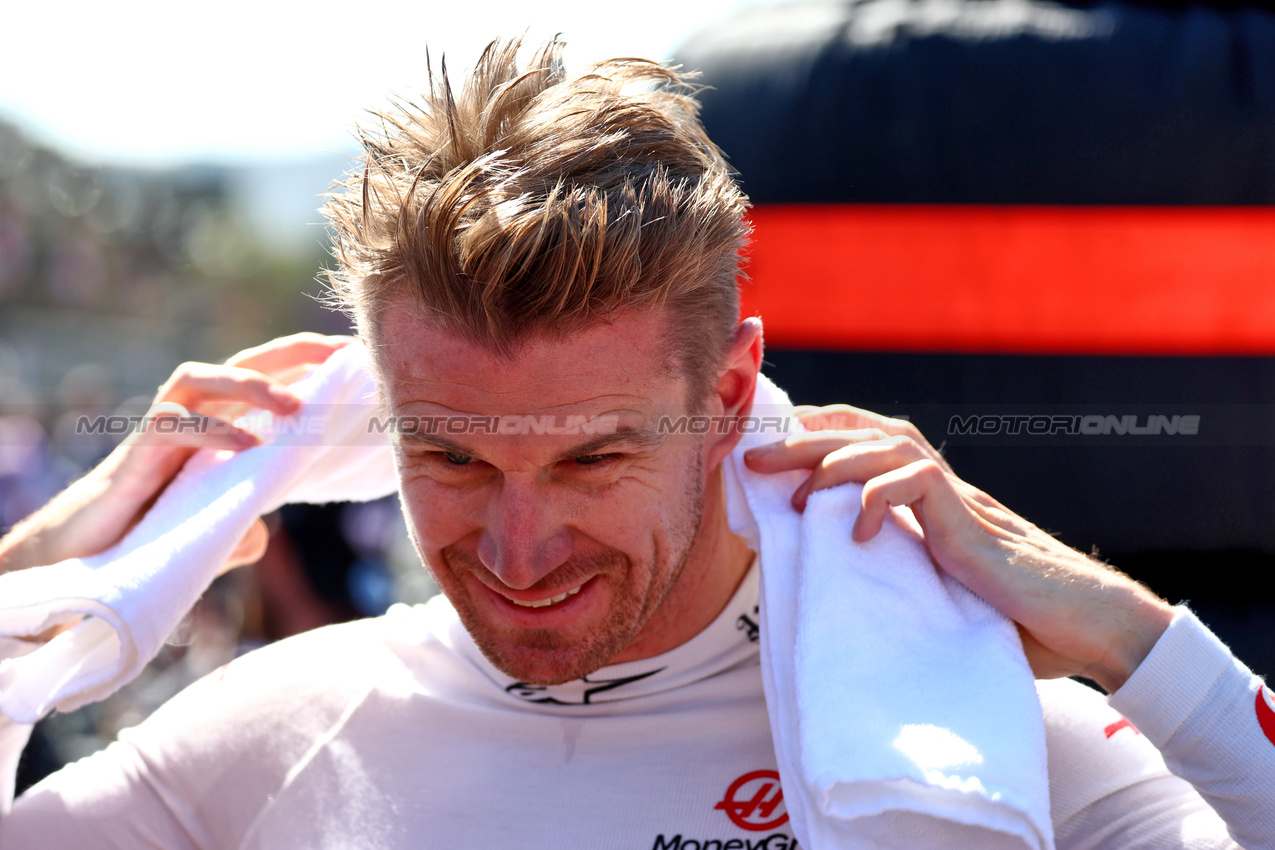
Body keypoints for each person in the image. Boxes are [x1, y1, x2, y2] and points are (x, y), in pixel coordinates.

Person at [0, 38, 1272, 849]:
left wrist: (1135, 639)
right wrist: (32, 584)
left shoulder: (951, 733)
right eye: (448, 459)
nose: (516, 546)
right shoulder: (278, 736)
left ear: (729, 394)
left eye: (590, 460)